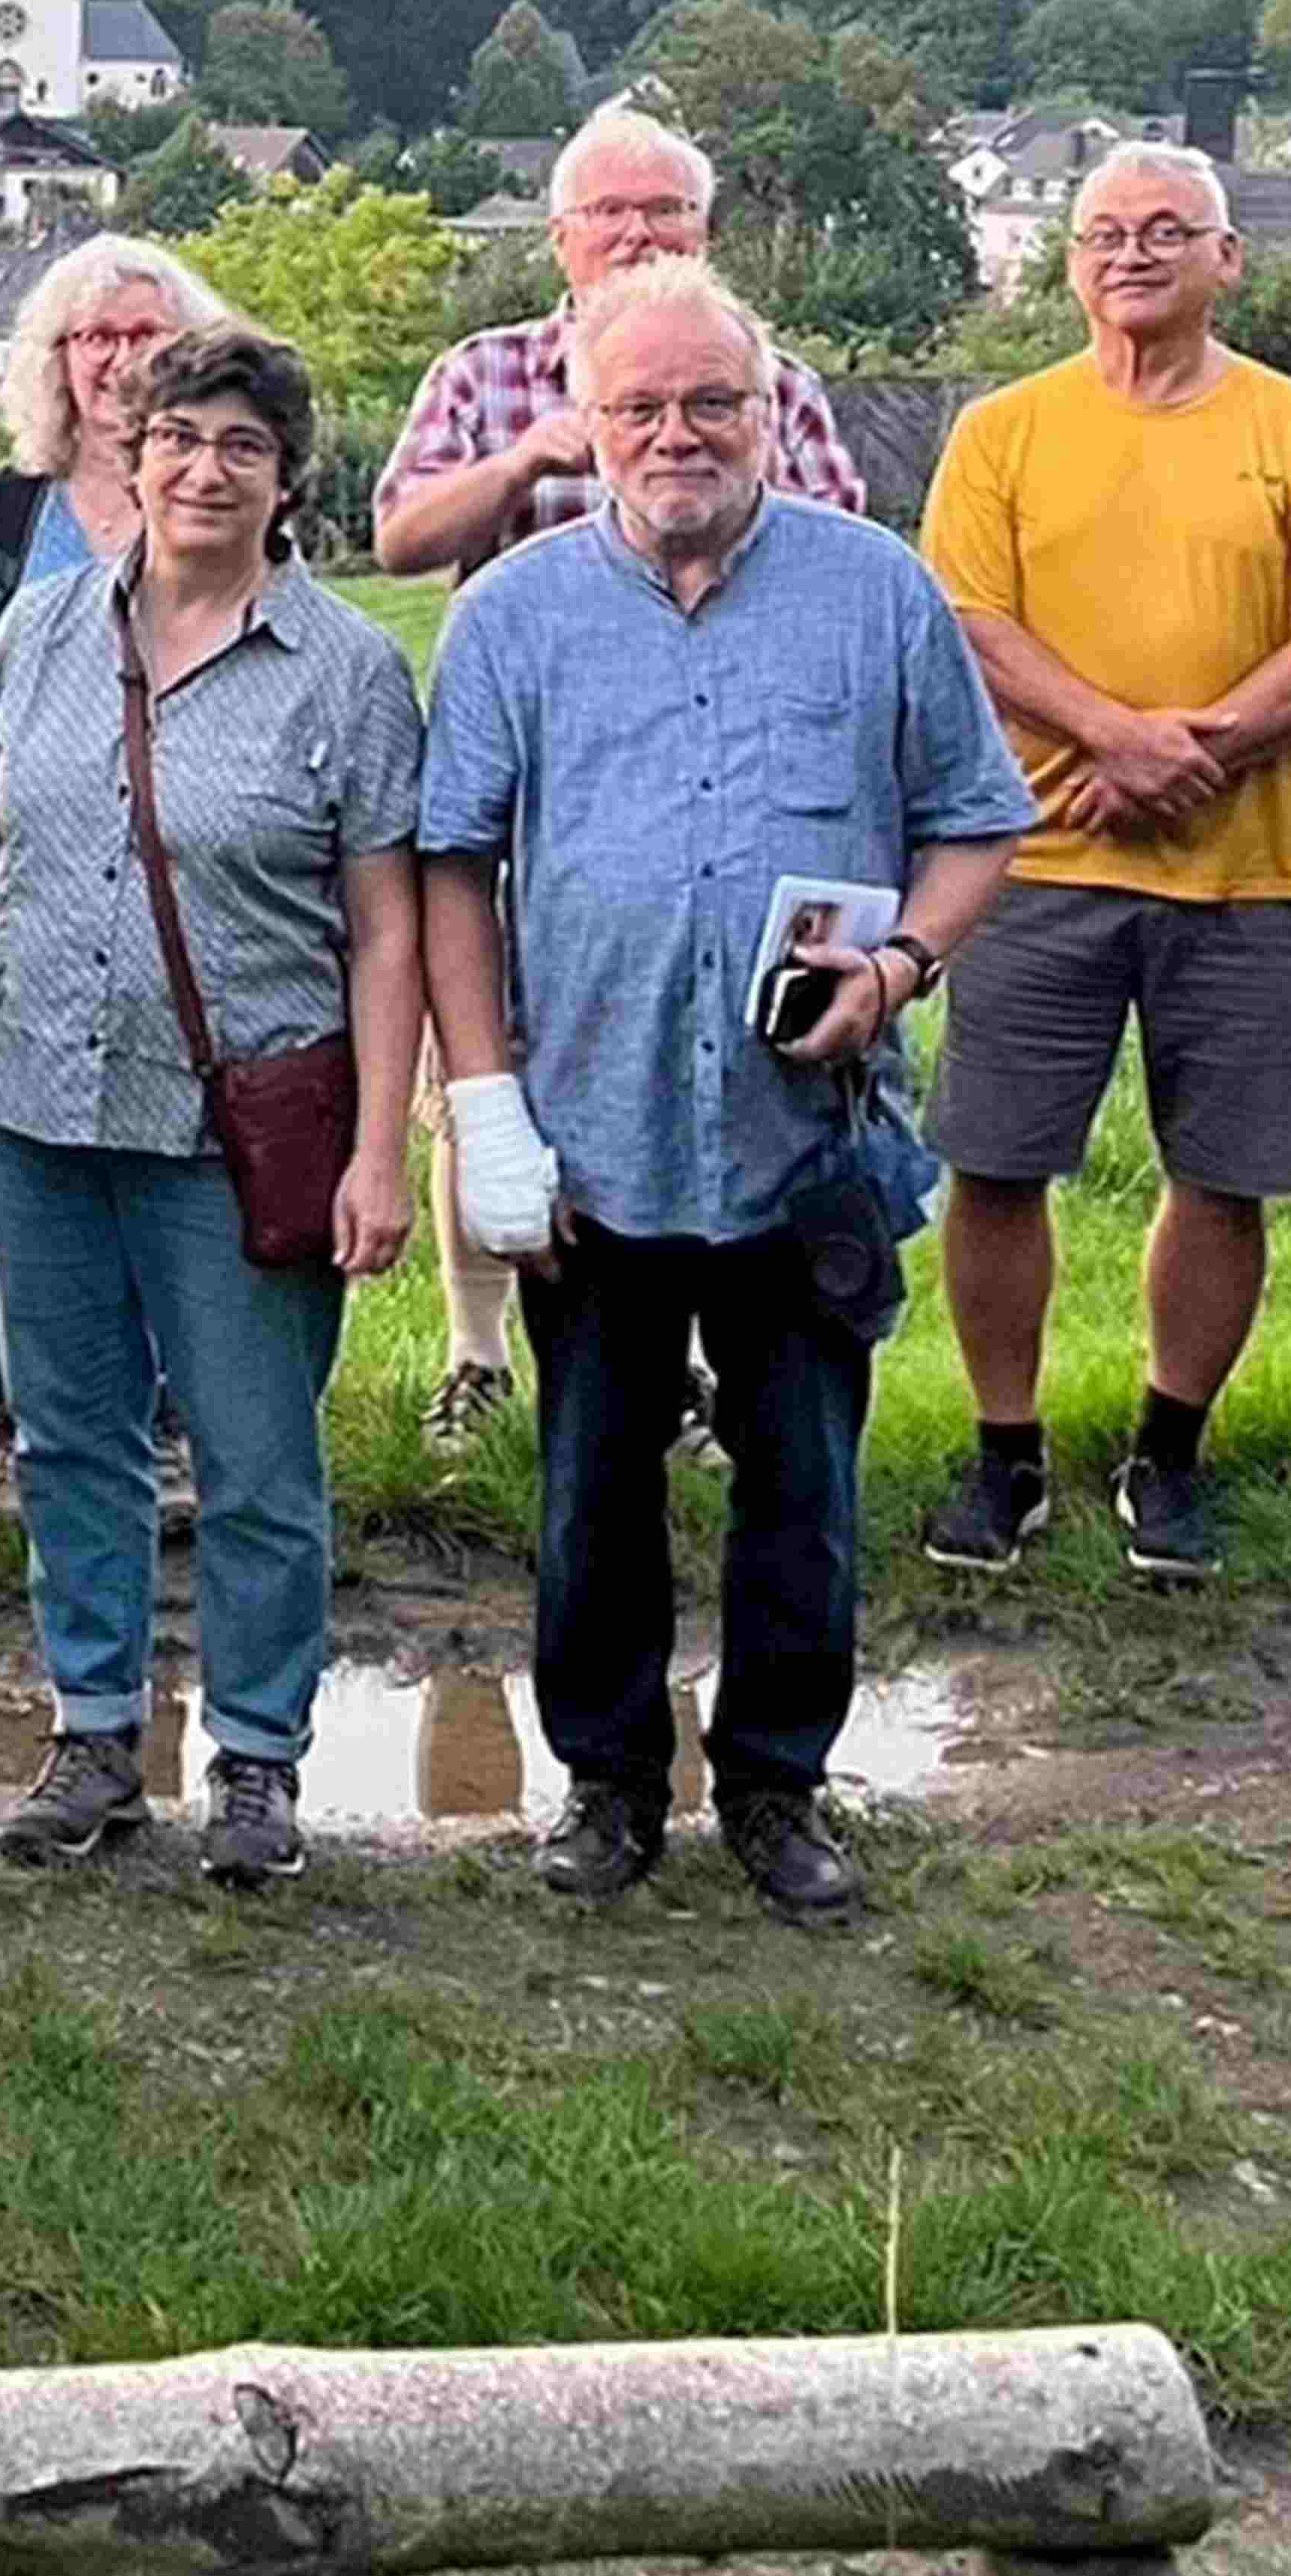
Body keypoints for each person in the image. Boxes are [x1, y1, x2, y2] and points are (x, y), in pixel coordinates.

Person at [416, 259, 1029, 1928]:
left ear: (767, 412)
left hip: (801, 1140)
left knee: (804, 1487)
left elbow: (976, 817)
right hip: (591, 1131)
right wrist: (483, 1101)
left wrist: (897, 964)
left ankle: (772, 1780)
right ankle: (604, 1779)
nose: (674, 432)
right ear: (583, 424)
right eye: (638, 406)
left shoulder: (872, 592)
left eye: (709, 401)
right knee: (589, 1481)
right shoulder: (510, 615)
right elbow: (452, 863)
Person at [0, 325, 425, 1887]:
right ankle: (89, 1730)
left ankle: (257, 1756)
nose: (204, 468)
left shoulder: (343, 666)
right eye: (177, 437)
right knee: (71, 1437)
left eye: (241, 446)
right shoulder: (46, 628)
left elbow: (388, 923)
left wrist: (381, 1145)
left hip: (238, 1127)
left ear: (284, 479)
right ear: (126, 459)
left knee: (257, 1455)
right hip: (37, 1101)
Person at [914, 144, 1291, 1590]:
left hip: (1251, 870)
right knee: (994, 1163)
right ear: (1067, 266)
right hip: (1036, 862)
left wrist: (1197, 748)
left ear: (1225, 258)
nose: (1131, 254)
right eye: (1102, 234)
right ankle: (1005, 1454)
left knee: (1221, 1175)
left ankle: (1167, 1454)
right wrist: (1112, 735)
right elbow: (967, 621)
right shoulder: (1001, 431)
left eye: (1165, 231)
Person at [370, 94, 869, 1456]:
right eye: (611, 210)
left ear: (705, 232)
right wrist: (531, 453)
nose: (638, 232)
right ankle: (477, 1355)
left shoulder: (769, 379)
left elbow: (834, 556)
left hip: (729, 782)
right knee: (487, 1069)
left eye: (665, 211)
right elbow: (399, 539)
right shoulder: (487, 371)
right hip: (531, 785)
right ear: (560, 233)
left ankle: (699, 1371)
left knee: (707, 1065)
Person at [0, 233, 228, 1511]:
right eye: (89, 340)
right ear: (54, 362)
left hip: (187, 893)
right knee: (26, 1142)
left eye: (142, 336)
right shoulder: (8, 511)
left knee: (169, 1145)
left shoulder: (223, 497)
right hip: (29, 886)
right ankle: (14, 1417)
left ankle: (162, 1418)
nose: (114, 361)